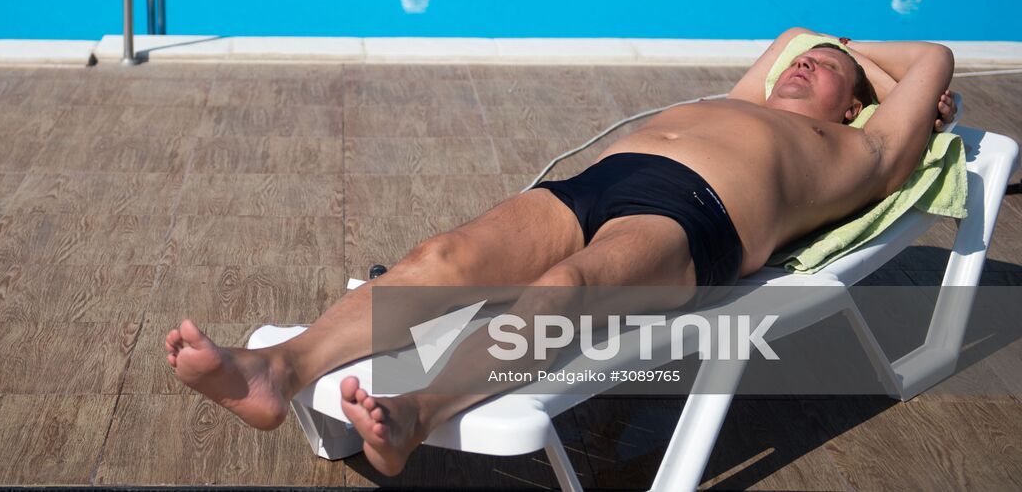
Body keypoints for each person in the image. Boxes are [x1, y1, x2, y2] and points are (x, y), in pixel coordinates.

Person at [164, 27, 956, 475]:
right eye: (809, 56)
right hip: (601, 180)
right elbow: (793, 31)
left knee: (566, 287)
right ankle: (279, 369)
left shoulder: (863, 150)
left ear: (854, 105)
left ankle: (418, 410)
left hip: (699, 215)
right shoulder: (748, 95)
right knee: (441, 259)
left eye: (829, 67)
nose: (807, 58)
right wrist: (841, 50)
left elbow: (934, 60)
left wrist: (885, 86)